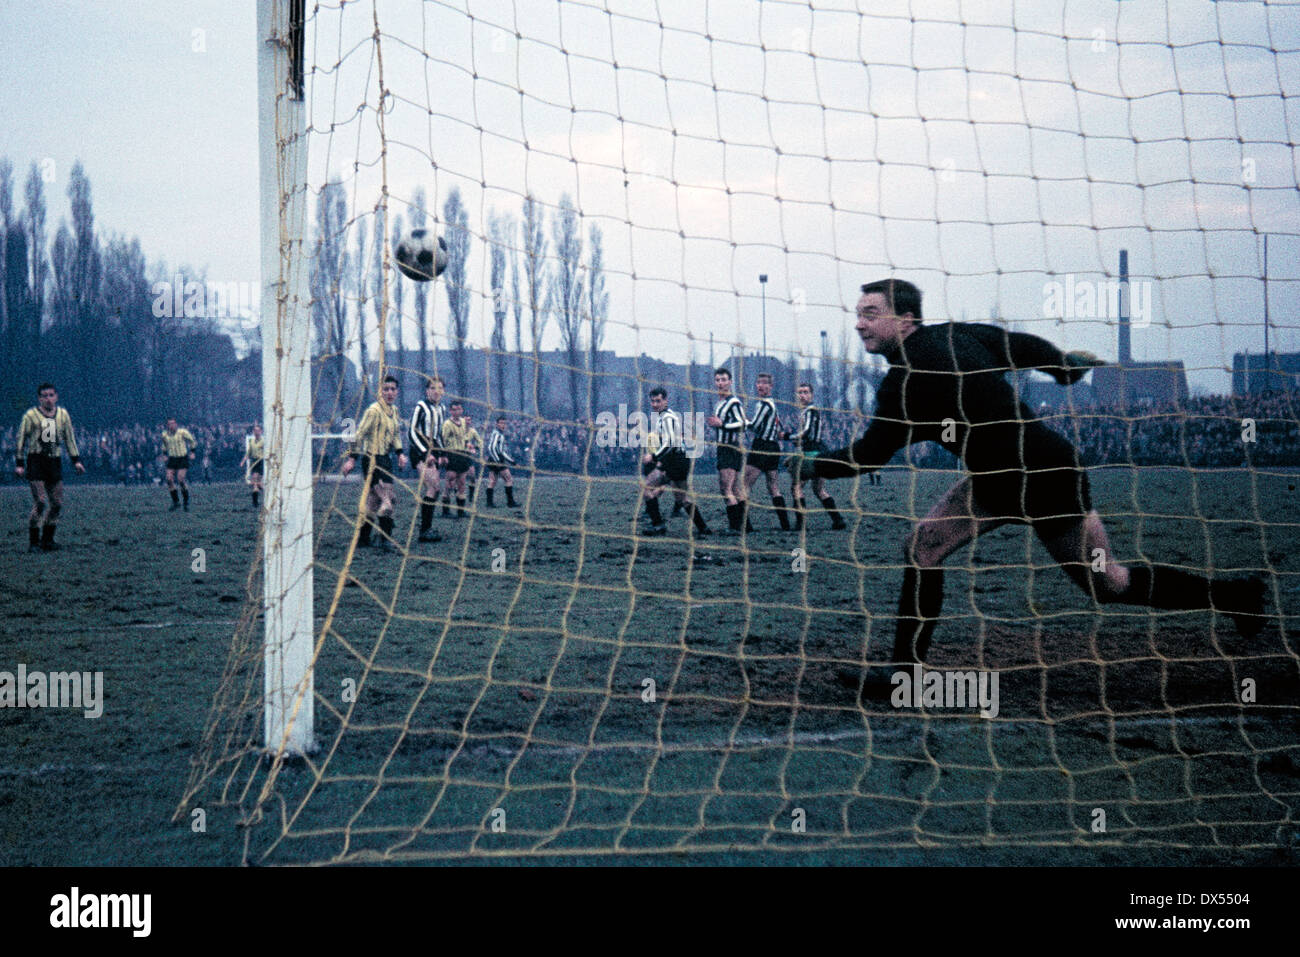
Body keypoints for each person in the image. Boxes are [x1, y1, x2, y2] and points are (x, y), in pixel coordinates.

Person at [814, 279, 1268, 689]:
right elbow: (1016, 346)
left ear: (906, 318)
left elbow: (868, 455)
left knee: (1106, 583)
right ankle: (905, 674)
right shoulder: (957, 334)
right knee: (923, 546)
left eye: (870, 314)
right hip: (1010, 472)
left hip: (1040, 474)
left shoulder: (902, 383)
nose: (858, 325)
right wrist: (1063, 366)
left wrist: (806, 463)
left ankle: (1234, 595)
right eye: (857, 315)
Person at [340, 375, 408, 550]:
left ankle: (363, 539)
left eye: (393, 389)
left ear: (397, 391)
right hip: (371, 459)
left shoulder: (395, 411)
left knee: (373, 501)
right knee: (389, 499)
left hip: (386, 459)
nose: (390, 392)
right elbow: (359, 434)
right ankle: (385, 539)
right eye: (386, 389)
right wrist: (352, 459)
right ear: (380, 391)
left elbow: (395, 435)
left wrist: (400, 453)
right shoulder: (373, 411)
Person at [15, 383, 85, 551]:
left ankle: (48, 540)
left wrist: (76, 460)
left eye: (51, 395)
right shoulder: (31, 416)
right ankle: (34, 541)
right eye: (44, 395)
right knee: (40, 502)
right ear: (39, 398)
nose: (48, 398)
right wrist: (19, 463)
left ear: (56, 397)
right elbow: (21, 439)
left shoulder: (63, 415)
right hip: (36, 460)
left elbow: (69, 438)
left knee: (57, 503)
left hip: (54, 461)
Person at [640, 387, 712, 536]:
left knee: (652, 489)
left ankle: (659, 525)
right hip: (674, 460)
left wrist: (653, 457)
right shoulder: (663, 416)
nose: (655, 404)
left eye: (658, 401)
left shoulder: (667, 417)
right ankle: (702, 528)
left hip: (677, 461)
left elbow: (670, 443)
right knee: (680, 497)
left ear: (665, 400)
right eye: (652, 401)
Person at [784, 383, 846, 530]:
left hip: (812, 454)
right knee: (818, 489)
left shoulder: (810, 411)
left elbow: (806, 432)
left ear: (811, 395)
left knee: (796, 487)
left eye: (805, 392)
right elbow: (807, 436)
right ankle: (838, 520)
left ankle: (801, 524)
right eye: (800, 392)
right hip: (820, 452)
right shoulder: (807, 412)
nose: (802, 395)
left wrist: (787, 436)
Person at [742, 372, 791, 530]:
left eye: (764, 383)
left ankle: (745, 526)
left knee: (745, 484)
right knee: (773, 487)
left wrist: (741, 420)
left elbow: (755, 426)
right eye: (758, 383)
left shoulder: (763, 404)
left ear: (770, 386)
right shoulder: (772, 405)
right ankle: (785, 524)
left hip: (762, 446)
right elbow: (778, 427)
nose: (760, 386)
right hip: (773, 447)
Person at [705, 368, 749, 534]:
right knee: (735, 490)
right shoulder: (720, 404)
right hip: (724, 448)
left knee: (726, 489)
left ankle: (735, 527)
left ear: (730, 382)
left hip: (730, 448)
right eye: (717, 380)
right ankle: (746, 526)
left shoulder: (734, 402)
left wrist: (721, 424)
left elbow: (742, 424)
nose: (720, 383)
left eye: (723, 380)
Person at [409, 376, 447, 541]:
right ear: (427, 391)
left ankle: (426, 529)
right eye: (432, 388)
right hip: (419, 451)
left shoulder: (442, 409)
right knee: (432, 487)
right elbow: (412, 432)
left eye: (439, 388)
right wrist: (426, 453)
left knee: (435, 489)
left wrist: (443, 453)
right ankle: (424, 531)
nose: (436, 391)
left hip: (434, 451)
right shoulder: (421, 406)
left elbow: (439, 434)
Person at [441, 401, 481, 518]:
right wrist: (443, 455)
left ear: (461, 410)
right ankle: (445, 511)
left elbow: (465, 438)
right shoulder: (447, 424)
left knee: (462, 483)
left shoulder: (464, 423)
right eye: (454, 410)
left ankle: (461, 511)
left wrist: (469, 445)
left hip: (463, 454)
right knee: (450, 482)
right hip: (452, 454)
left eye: (458, 409)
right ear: (450, 411)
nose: (456, 412)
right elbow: (442, 440)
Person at [483, 415, 520, 508]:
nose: (503, 425)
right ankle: (510, 502)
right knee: (509, 479)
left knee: (492, 481)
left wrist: (512, 461)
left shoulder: (498, 433)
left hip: (493, 459)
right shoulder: (497, 434)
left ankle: (489, 503)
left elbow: (501, 451)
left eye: (504, 423)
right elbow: (491, 448)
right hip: (496, 460)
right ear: (497, 424)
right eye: (501, 423)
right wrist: (498, 461)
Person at [162, 417, 196, 511]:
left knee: (180, 479)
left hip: (182, 458)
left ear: (176, 424)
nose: (171, 425)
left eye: (173, 423)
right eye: (169, 424)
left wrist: (192, 452)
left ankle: (186, 502)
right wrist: (164, 454)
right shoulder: (164, 434)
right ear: (167, 425)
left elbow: (192, 440)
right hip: (172, 458)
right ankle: (176, 502)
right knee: (169, 479)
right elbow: (164, 445)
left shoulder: (182, 432)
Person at [240, 423, 265, 509]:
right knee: (255, 481)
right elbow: (248, 453)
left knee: (258, 483)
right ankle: (255, 502)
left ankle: (260, 495)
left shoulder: (264, 441)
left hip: (261, 462)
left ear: (261, 431)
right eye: (255, 430)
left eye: (258, 430)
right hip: (254, 462)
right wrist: (243, 461)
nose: (256, 432)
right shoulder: (251, 441)